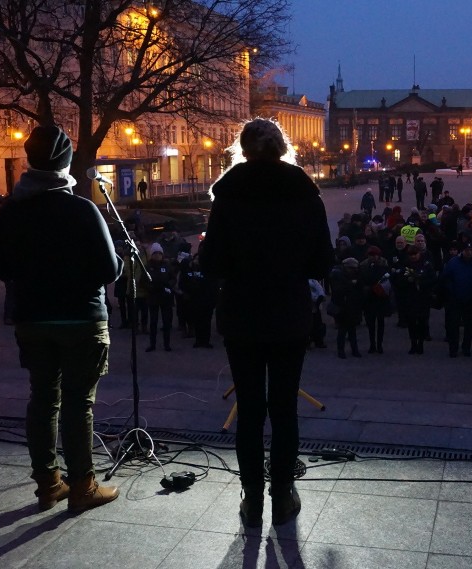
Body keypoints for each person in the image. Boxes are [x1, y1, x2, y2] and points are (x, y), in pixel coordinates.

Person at [199, 118, 332, 527]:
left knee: (251, 410)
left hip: (241, 315)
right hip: (289, 315)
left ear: (243, 149)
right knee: (284, 408)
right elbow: (322, 261)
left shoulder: (228, 195)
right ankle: (282, 496)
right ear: (281, 147)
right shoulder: (304, 193)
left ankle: (251, 498)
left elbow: (211, 264)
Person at [0, 124, 122, 512]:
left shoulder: (11, 211)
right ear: (65, 164)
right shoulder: (81, 208)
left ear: (30, 161)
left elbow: (0, 266)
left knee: (43, 399)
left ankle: (49, 484)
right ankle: (82, 486)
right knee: (78, 403)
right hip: (81, 320)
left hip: (32, 320)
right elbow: (108, 269)